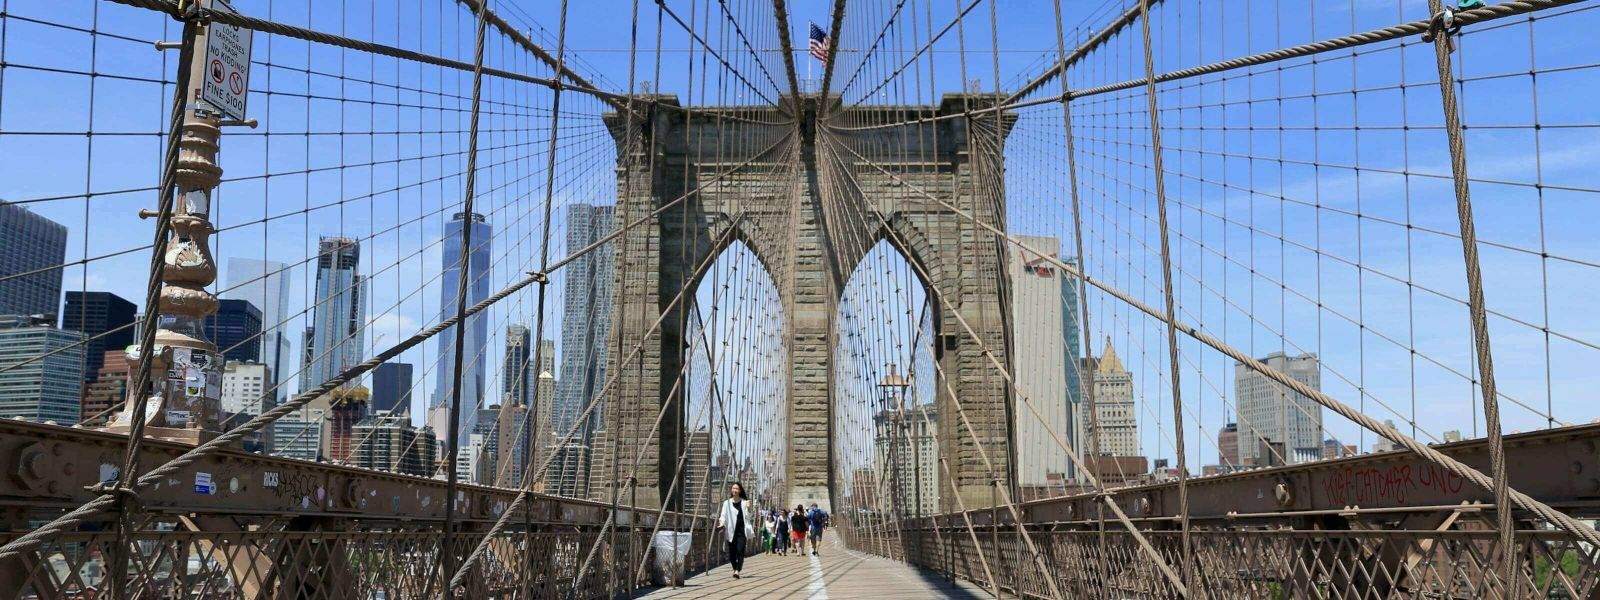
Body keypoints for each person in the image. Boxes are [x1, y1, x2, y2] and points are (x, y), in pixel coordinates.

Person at [715, 482, 756, 579]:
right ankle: (735, 568)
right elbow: (723, 516)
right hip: (731, 531)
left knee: (740, 550)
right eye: (733, 488)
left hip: (742, 531)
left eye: (737, 488)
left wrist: (750, 508)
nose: (735, 490)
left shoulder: (744, 502)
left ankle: (738, 570)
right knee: (732, 553)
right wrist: (721, 524)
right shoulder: (726, 503)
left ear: (740, 490)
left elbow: (749, 516)